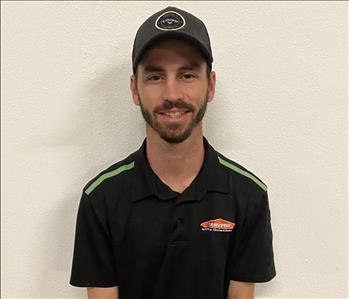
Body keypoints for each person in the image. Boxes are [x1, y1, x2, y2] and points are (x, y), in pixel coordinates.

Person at [70, 6, 276, 299]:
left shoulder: (248, 195)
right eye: (155, 77)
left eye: (187, 75)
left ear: (211, 86)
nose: (172, 94)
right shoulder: (101, 198)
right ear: (135, 89)